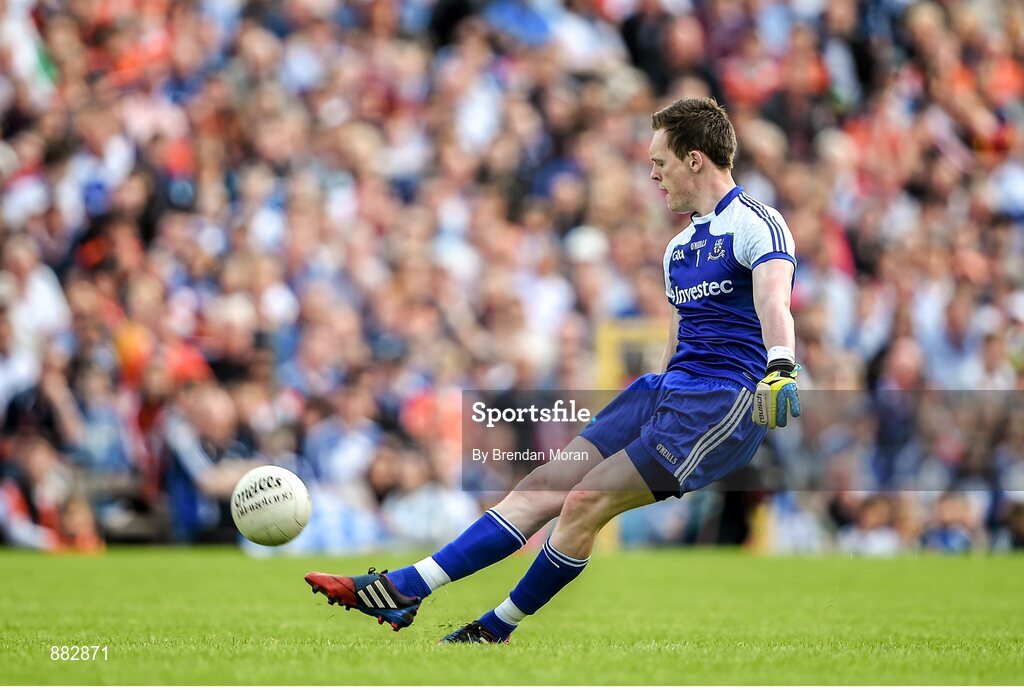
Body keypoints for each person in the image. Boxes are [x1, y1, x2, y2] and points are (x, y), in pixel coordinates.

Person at [304, 97, 801, 642]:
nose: (653, 174)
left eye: (660, 162)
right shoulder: (679, 247)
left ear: (696, 160)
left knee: (585, 500)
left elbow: (774, 300)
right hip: (668, 391)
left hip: (722, 400)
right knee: (544, 483)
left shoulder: (758, 223)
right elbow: (678, 336)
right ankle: (406, 588)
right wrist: (658, 398)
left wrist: (780, 365)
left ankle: (494, 629)